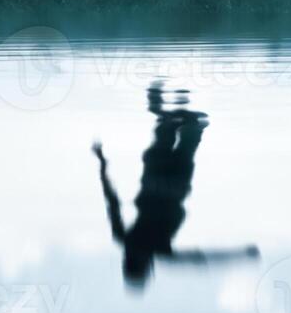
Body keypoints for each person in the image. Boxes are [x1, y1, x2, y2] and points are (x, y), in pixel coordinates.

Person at [92, 82, 260, 290]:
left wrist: (241, 254)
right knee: (181, 126)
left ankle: (165, 109)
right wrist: (101, 163)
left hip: (169, 183)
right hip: (161, 181)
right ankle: (164, 108)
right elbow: (111, 201)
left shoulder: (151, 249)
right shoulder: (133, 242)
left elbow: (203, 260)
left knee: (188, 125)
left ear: (145, 268)